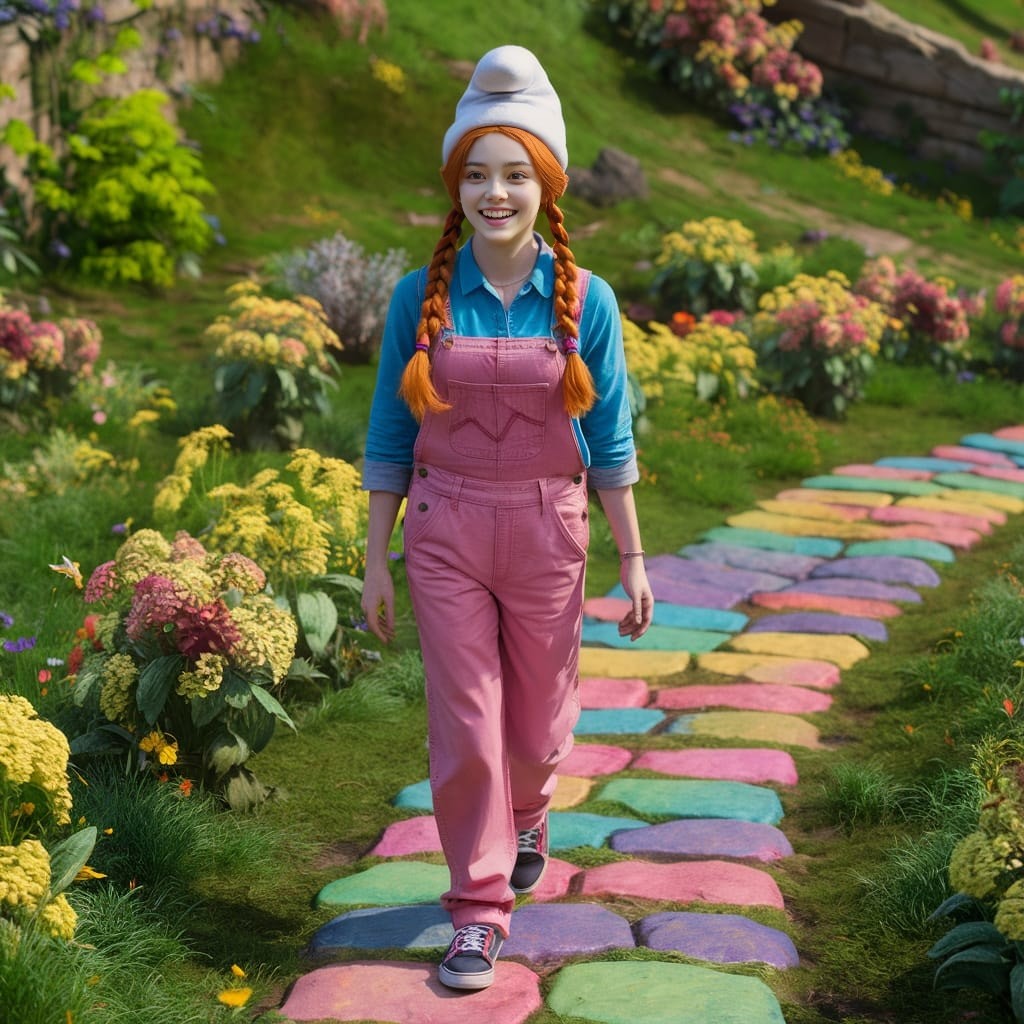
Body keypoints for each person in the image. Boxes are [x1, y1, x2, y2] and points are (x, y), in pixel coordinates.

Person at [359, 43, 654, 992]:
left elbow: (608, 437)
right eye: (478, 175)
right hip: (443, 535)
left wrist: (634, 558)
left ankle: (531, 809)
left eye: (515, 174)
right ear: (458, 187)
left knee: (532, 735)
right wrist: (375, 559)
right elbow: (387, 437)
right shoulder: (420, 298)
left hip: (546, 535)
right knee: (468, 727)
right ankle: (479, 911)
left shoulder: (585, 302)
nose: (496, 193)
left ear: (546, 185)